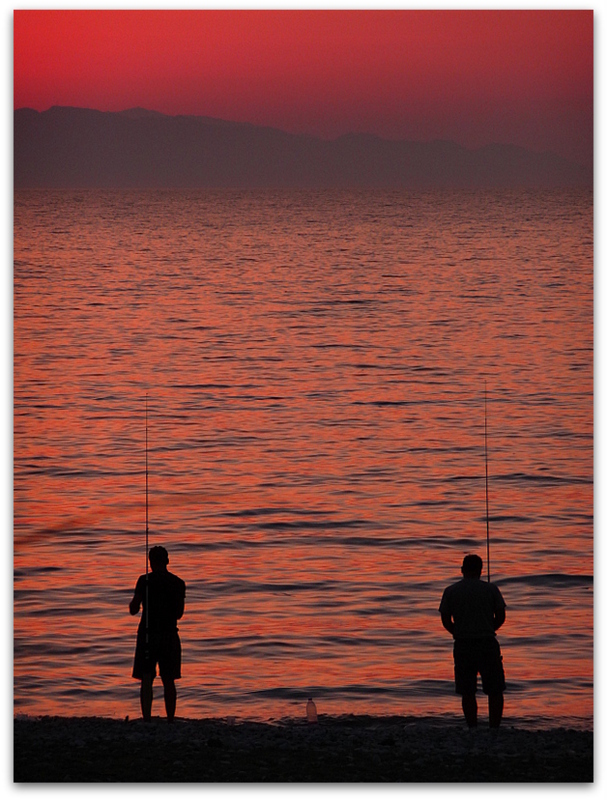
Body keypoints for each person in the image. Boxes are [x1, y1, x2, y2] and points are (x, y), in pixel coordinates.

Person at [439, 553, 506, 729]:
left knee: (467, 690)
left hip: (463, 644)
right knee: (495, 688)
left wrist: (458, 632)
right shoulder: (491, 589)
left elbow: (445, 620)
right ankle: (494, 728)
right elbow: (501, 616)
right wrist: (489, 628)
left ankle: (472, 728)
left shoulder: (451, 591)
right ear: (481, 570)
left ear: (462, 570)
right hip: (487, 642)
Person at [130, 545, 186, 722]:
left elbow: (133, 609)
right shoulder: (178, 583)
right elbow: (179, 613)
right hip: (169, 635)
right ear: (167, 561)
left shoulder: (143, 581)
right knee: (169, 679)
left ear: (150, 562)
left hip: (148, 635)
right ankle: (170, 719)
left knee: (146, 677)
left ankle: (147, 718)